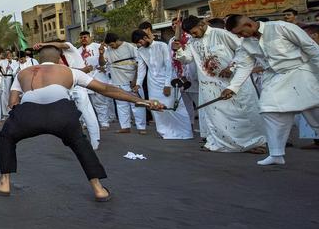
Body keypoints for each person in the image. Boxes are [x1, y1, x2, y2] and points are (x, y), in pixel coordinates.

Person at [0, 45, 164, 201]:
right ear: (59, 60)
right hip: (62, 113)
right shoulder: (70, 71)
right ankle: (99, 189)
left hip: (28, 113)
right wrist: (144, 102)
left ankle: (4, 183)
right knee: (80, 143)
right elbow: (105, 89)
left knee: (7, 136)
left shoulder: (22, 73)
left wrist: (21, 117)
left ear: (39, 59)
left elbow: (12, 102)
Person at [221, 14, 319, 165]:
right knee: (269, 109)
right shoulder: (246, 43)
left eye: (241, 32)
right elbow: (244, 66)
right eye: (237, 34)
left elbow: (311, 48)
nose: (240, 36)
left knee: (315, 113)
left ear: (249, 24)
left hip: (301, 73)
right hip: (275, 78)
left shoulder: (281, 27)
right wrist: (232, 87)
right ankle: (276, 153)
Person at [173, 16, 266, 153]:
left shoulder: (221, 34)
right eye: (190, 34)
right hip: (210, 85)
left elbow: (243, 51)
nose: (193, 35)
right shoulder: (192, 42)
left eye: (194, 32)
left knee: (244, 113)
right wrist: (179, 50)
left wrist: (232, 67)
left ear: (202, 24)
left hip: (233, 82)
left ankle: (256, 143)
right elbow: (186, 59)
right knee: (216, 116)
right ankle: (218, 142)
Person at [33, 40, 101, 150]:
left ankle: (95, 142)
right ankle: (75, 139)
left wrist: (44, 44)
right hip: (67, 86)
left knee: (87, 113)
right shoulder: (56, 59)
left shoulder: (69, 47)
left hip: (79, 85)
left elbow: (62, 47)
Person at [131, 29, 194, 140]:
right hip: (152, 82)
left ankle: (184, 132)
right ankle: (164, 132)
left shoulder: (162, 45)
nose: (139, 45)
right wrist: (138, 84)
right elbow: (141, 69)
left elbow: (168, 65)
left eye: (140, 42)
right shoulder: (140, 51)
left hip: (168, 79)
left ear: (145, 38)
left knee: (174, 106)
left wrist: (167, 85)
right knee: (156, 107)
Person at [99, 33, 146, 134]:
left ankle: (141, 127)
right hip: (117, 81)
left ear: (117, 40)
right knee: (121, 105)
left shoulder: (129, 47)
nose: (111, 47)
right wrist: (101, 53)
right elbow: (102, 64)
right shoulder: (108, 51)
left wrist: (136, 80)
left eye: (112, 44)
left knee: (137, 104)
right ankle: (125, 126)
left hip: (131, 81)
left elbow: (140, 64)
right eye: (110, 45)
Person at [78, 31, 112, 128]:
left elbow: (105, 63)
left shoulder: (99, 47)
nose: (83, 39)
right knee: (85, 102)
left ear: (90, 37)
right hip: (84, 79)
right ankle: (86, 122)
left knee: (100, 102)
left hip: (98, 76)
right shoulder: (77, 51)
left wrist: (102, 63)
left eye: (85, 37)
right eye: (81, 37)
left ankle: (104, 122)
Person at [0, 51, 19, 118]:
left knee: (12, 95)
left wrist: (11, 63)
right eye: (7, 54)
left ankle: (12, 111)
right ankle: (5, 113)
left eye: (9, 54)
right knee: (3, 96)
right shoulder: (2, 61)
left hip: (12, 79)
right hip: (4, 79)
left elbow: (16, 70)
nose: (8, 55)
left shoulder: (15, 61)